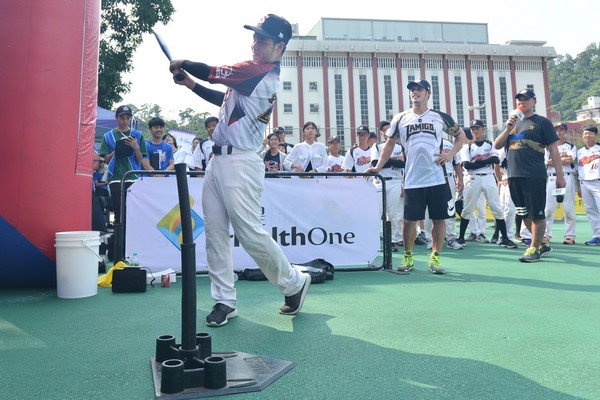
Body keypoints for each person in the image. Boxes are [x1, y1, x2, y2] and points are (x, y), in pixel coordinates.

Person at [169, 14, 310, 326]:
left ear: (279, 47)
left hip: (241, 162)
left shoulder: (259, 72)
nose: (255, 44)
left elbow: (211, 72)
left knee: (249, 233)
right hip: (218, 161)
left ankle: (293, 282)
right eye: (255, 37)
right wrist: (190, 83)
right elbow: (223, 98)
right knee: (215, 234)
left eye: (263, 40)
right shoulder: (253, 77)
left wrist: (185, 63)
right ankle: (224, 301)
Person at [366, 79, 467, 274]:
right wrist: (378, 166)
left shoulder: (440, 117)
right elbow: (389, 144)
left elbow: (461, 136)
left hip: (437, 177)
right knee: (409, 221)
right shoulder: (401, 118)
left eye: (419, 89)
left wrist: (450, 154)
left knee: (439, 219)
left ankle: (435, 258)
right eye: (412, 89)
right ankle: (408, 256)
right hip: (412, 178)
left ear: (428, 93)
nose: (415, 92)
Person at [494, 89, 566, 262]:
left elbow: (554, 150)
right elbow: (497, 145)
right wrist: (508, 128)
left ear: (534, 101)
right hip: (513, 176)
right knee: (523, 213)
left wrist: (560, 175)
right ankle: (541, 243)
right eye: (519, 100)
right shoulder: (513, 123)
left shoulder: (542, 122)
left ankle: (533, 248)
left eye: (526, 99)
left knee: (537, 214)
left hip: (534, 175)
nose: (522, 102)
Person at [457, 119, 517, 248]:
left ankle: (505, 238)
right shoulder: (467, 147)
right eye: (472, 128)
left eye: (477, 128)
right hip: (472, 178)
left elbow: (495, 159)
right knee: (467, 208)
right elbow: (467, 165)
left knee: (496, 208)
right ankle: (461, 237)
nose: (474, 131)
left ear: (483, 129)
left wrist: (476, 162)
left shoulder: (490, 145)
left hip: (489, 177)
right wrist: (485, 160)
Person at [99, 105, 152, 228]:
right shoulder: (108, 136)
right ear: (116, 118)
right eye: (122, 118)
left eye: (127, 118)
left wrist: (136, 147)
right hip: (116, 177)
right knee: (119, 212)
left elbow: (141, 160)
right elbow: (105, 160)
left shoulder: (137, 135)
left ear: (131, 119)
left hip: (133, 176)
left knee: (135, 211)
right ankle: (120, 242)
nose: (125, 121)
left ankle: (134, 239)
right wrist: (117, 150)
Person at [370, 121, 405, 251]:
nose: (387, 131)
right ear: (382, 133)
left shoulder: (400, 147)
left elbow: (404, 164)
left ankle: (392, 240)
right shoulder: (377, 147)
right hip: (380, 181)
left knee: (393, 213)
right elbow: (375, 163)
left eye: (390, 129)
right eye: (385, 130)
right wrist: (395, 161)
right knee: (378, 212)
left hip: (396, 180)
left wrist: (384, 160)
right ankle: (374, 240)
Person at [544, 122, 577, 244]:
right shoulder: (548, 147)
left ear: (565, 132)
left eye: (561, 130)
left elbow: (570, 159)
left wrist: (555, 160)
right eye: (556, 130)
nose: (558, 132)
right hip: (552, 178)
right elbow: (547, 162)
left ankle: (570, 235)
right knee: (549, 209)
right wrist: (560, 160)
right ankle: (546, 234)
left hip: (567, 177)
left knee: (568, 208)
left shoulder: (571, 147)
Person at [576, 125, 600, 245]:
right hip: (585, 183)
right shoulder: (579, 151)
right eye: (585, 133)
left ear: (595, 135)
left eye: (590, 133)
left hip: (598, 182)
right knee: (591, 211)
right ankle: (597, 236)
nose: (587, 136)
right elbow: (577, 171)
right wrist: (579, 187)